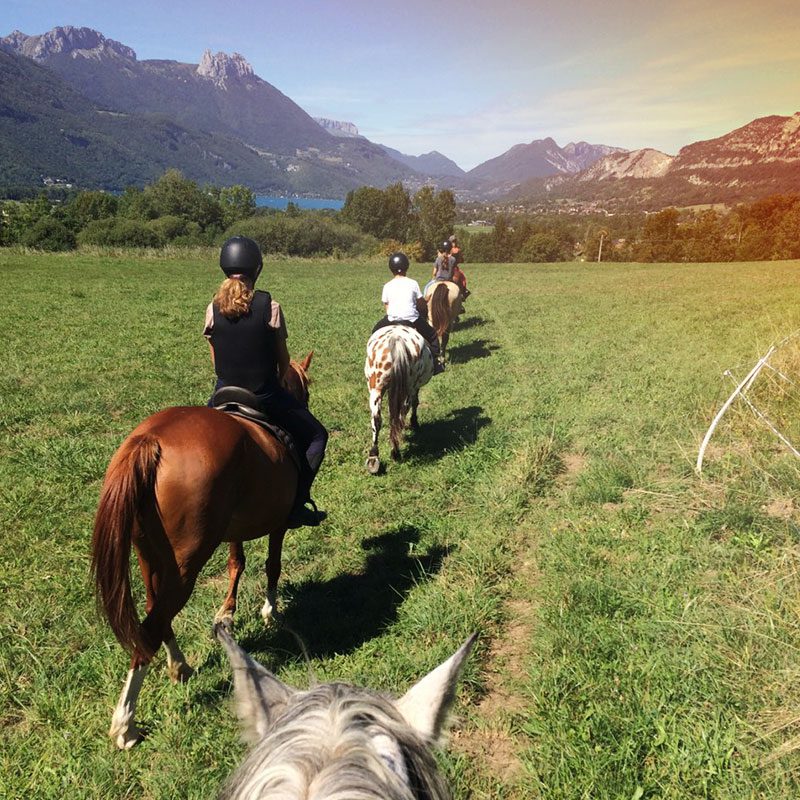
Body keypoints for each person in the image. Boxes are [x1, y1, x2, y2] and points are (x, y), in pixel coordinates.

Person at [204, 235, 328, 528]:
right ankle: (298, 502)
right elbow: (283, 361)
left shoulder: (212, 309)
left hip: (223, 392)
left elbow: (214, 359)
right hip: (263, 393)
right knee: (317, 436)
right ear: (257, 270)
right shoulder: (269, 306)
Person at [372, 252, 445, 375]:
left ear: (391, 269)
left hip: (391, 319)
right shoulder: (413, 283)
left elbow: (387, 307)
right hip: (412, 319)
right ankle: (436, 362)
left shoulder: (387, 286)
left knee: (374, 332)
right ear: (406, 267)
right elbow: (421, 303)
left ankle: (373, 358)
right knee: (432, 335)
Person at [449, 234, 470, 299]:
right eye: (453, 241)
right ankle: (463, 292)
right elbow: (460, 260)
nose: (454, 243)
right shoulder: (458, 250)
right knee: (463, 278)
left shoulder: (448, 250)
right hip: (454, 268)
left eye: (454, 241)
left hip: (447, 268)